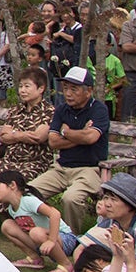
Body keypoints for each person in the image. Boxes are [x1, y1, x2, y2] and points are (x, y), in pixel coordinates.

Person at [30, 66, 110, 231]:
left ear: (88, 91)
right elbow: (53, 142)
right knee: (29, 192)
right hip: (61, 168)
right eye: (65, 88)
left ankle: (71, 237)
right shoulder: (61, 109)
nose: (68, 93)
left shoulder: (99, 110)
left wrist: (65, 131)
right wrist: (82, 135)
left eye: (74, 89)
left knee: (70, 198)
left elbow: (91, 138)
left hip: (89, 169)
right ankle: (46, 230)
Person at [0, 169, 75, 270]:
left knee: (36, 232)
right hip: (40, 239)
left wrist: (51, 240)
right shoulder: (11, 209)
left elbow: (55, 214)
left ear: (12, 185)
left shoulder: (28, 201)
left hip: (65, 239)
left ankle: (66, 265)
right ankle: (34, 258)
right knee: (7, 225)